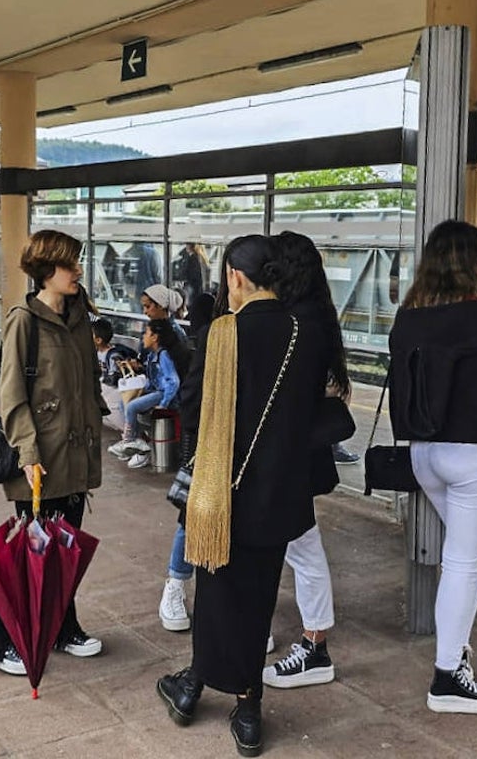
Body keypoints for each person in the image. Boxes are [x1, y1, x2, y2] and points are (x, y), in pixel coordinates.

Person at [156, 234, 333, 757]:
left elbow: (191, 407)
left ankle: (191, 688)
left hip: (221, 491)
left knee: (215, 590)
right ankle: (248, 708)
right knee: (258, 595)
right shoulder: (308, 332)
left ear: (235, 275)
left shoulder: (221, 333)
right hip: (280, 492)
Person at [0, 229, 107, 675]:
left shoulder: (81, 314)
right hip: (40, 457)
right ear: (47, 270)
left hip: (77, 451)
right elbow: (12, 394)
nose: (78, 270)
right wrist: (27, 452)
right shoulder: (24, 318)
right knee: (31, 553)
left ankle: (64, 628)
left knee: (65, 549)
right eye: (71, 264)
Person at [389, 220, 477, 715]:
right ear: (466, 264)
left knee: (459, 558)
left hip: (424, 455)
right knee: (466, 561)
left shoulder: (407, 316)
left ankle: (455, 654)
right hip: (472, 454)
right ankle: (447, 678)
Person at [262, 231, 350, 693]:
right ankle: (309, 641)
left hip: (290, 456)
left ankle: (315, 647)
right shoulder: (314, 314)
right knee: (296, 544)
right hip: (298, 454)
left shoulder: (298, 322)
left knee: (302, 545)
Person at [108, 319, 188, 469]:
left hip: (164, 394)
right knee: (122, 403)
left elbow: (173, 381)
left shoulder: (164, 355)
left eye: (146, 333)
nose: (143, 336)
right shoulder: (153, 355)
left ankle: (130, 440)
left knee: (131, 407)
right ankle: (138, 441)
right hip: (156, 391)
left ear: (155, 337)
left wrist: (163, 404)